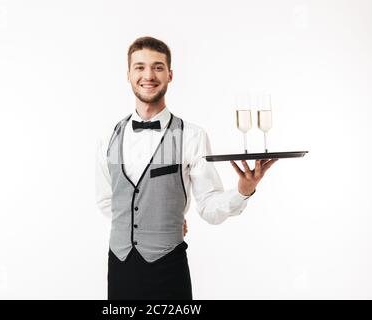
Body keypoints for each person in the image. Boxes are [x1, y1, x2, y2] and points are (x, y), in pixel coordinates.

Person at [95, 36, 277, 300]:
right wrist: (149, 221)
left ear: (170, 75)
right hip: (120, 267)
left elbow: (209, 207)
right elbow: (106, 201)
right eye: (140, 67)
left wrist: (243, 190)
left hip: (168, 270)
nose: (149, 75)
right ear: (128, 74)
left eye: (158, 67)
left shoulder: (191, 136)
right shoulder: (107, 137)